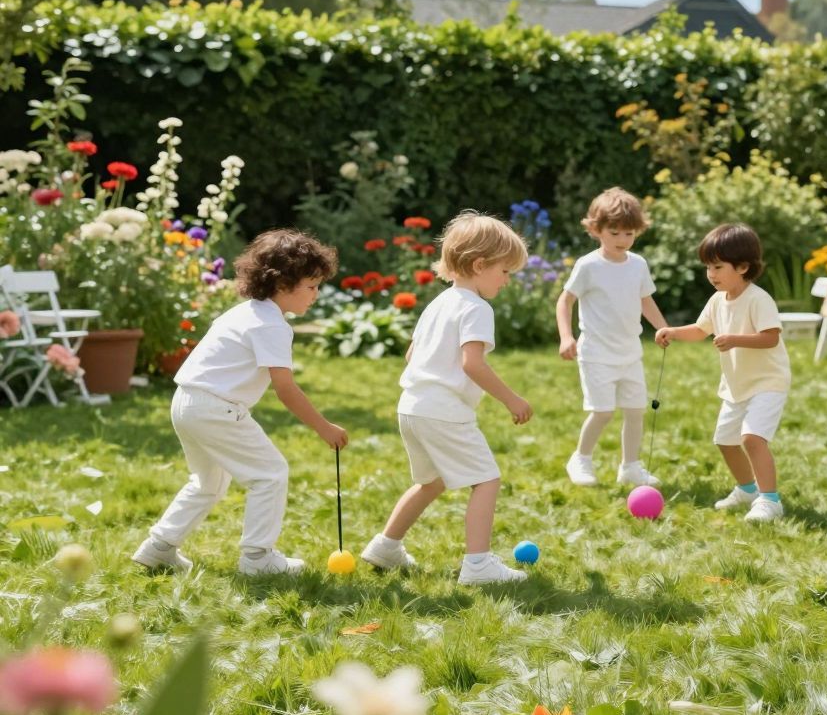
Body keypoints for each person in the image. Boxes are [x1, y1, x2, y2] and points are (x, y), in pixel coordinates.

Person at [134, 230, 348, 576]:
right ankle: (258, 558)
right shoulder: (272, 326)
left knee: (208, 483)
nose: (316, 294)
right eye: (311, 286)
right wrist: (324, 427)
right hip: (217, 409)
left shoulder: (244, 312)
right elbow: (286, 389)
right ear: (282, 284)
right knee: (270, 473)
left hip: (187, 402)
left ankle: (159, 547)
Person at [360, 212, 534, 584]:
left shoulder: (439, 303)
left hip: (412, 406)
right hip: (445, 411)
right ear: (480, 264)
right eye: (505, 272)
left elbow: (412, 355)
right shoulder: (476, 308)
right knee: (486, 480)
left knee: (432, 481)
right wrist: (511, 399)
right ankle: (478, 565)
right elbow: (472, 364)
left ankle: (386, 547)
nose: (507, 282)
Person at [656, 223, 790, 523]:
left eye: (717, 266)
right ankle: (747, 489)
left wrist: (735, 339)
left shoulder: (758, 299)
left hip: (768, 382)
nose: (711, 274)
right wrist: (673, 332)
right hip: (736, 384)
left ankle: (770, 501)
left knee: (752, 439)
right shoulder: (718, 300)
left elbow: (771, 337)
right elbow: (701, 329)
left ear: (743, 267)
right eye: (707, 267)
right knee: (725, 440)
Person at [557, 187, 668, 488]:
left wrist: (662, 327)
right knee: (603, 411)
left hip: (630, 352)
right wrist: (566, 337)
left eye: (629, 234)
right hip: (596, 354)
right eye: (614, 232)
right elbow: (565, 301)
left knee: (635, 411)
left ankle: (630, 466)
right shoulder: (588, 266)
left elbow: (646, 300)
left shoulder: (638, 265)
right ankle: (580, 458)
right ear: (596, 229)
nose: (622, 240)